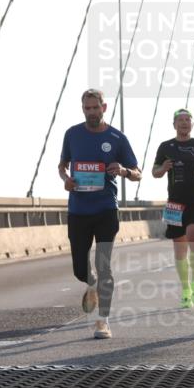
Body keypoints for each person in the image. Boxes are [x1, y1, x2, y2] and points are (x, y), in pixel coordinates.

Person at [59, 89, 142, 339]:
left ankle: (102, 321)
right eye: (87, 108)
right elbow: (62, 165)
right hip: (78, 210)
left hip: (106, 209)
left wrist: (125, 171)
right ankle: (91, 284)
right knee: (79, 269)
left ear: (104, 108)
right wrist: (66, 180)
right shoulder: (72, 134)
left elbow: (138, 172)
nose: (92, 112)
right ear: (82, 108)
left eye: (96, 108)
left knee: (103, 266)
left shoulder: (117, 137)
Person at [152, 109, 194, 308]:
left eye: (187, 120)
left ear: (192, 124)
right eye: (180, 120)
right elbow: (154, 172)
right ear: (174, 124)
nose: (184, 123)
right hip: (174, 202)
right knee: (180, 247)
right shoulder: (165, 147)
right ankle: (186, 290)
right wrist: (163, 169)